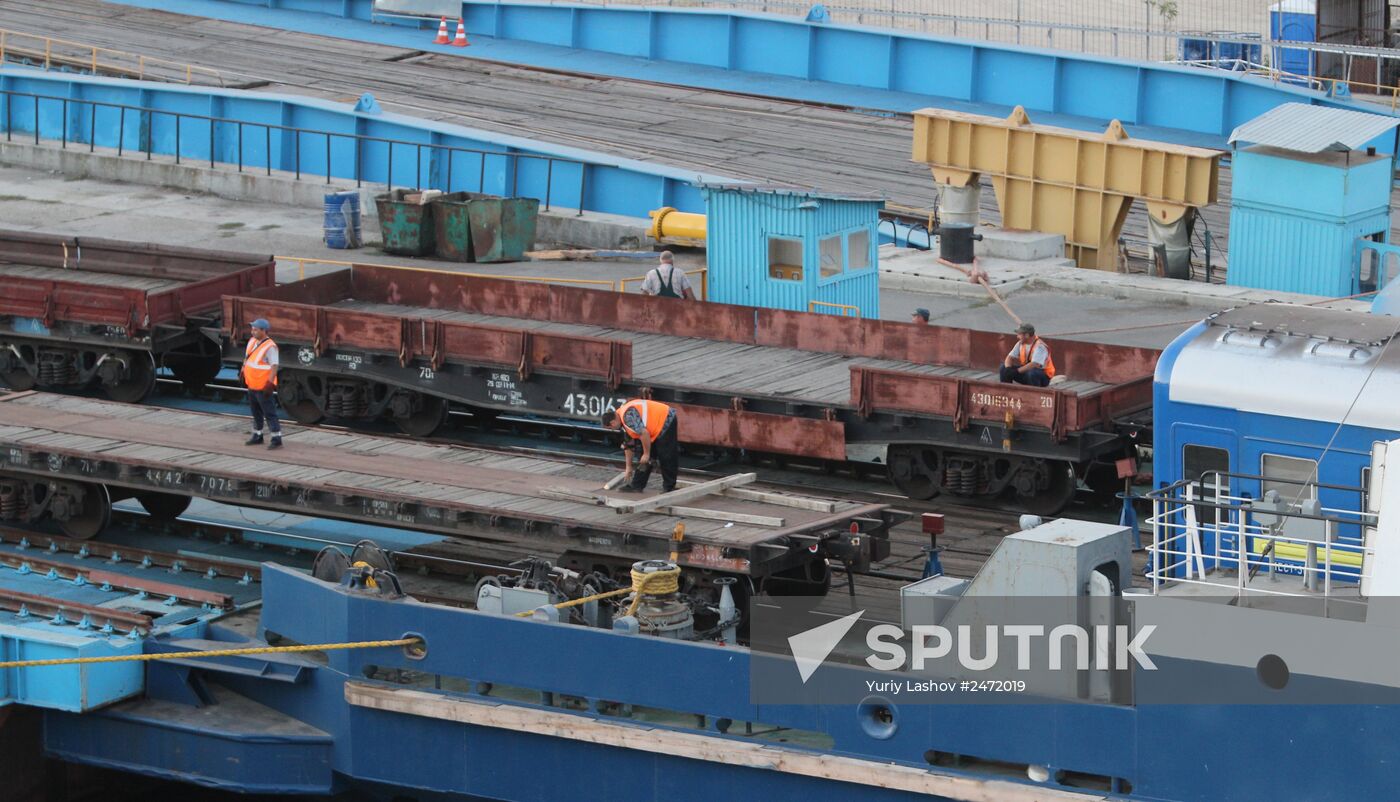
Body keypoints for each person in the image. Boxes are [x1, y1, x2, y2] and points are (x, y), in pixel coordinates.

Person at [601, 399, 679, 493]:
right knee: (645, 456)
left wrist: (646, 454)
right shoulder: (620, 418)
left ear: (613, 422)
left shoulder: (627, 417)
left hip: (665, 418)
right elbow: (628, 444)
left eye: (610, 428)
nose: (612, 430)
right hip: (653, 425)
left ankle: (669, 487)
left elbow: (644, 433)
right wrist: (628, 467)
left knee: (666, 455)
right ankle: (637, 485)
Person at [242, 318, 283, 449]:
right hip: (252, 384)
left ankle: (276, 438)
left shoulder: (270, 347)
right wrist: (243, 370)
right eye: (252, 329)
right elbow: (248, 357)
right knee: (256, 412)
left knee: (269, 413)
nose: (252, 332)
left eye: (255, 329)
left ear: (264, 331)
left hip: (263, 386)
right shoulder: (252, 341)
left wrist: (270, 384)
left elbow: (274, 365)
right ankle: (257, 435)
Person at [1000, 322, 1056, 388]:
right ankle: (1006, 392)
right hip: (1027, 371)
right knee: (1003, 368)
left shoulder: (1040, 346)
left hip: (1042, 376)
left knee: (1032, 373)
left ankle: (1035, 394)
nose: (1017, 337)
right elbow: (1010, 357)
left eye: (1019, 334)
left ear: (1026, 335)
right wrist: (1008, 368)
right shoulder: (1020, 343)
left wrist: (1016, 371)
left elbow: (1034, 364)